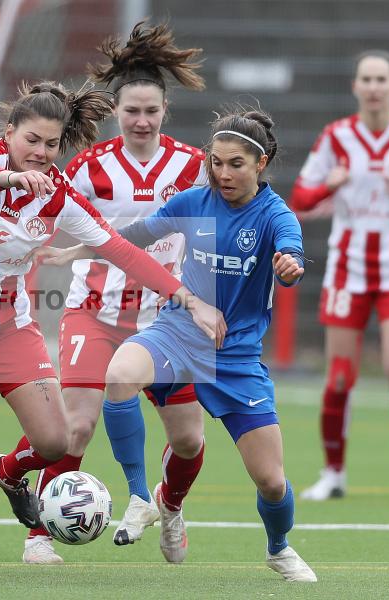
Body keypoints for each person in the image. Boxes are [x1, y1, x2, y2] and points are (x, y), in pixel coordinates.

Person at [0, 80, 217, 554]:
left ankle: (9, 472)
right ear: (9, 134)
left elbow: (125, 251)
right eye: (31, 141)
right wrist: (10, 178)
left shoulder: (59, 195)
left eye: (50, 144)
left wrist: (189, 298)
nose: (41, 153)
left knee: (56, 438)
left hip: (7, 321)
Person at [40, 108, 317, 580]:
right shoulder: (193, 201)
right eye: (216, 162)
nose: (223, 173)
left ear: (262, 164)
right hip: (178, 334)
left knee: (271, 482)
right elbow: (129, 240)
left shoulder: (274, 215)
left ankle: (277, 548)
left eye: (236, 164)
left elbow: (291, 248)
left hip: (235, 358)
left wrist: (291, 264)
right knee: (121, 375)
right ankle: (140, 497)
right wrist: (76, 250)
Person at [21, 21, 209, 565]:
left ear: (165, 111)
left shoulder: (194, 167)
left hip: (165, 321)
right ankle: (39, 536)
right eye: (132, 111)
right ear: (115, 112)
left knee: (191, 441)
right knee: (75, 424)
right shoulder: (88, 166)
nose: (142, 120)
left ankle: (167, 507)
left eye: (151, 111)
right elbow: (43, 212)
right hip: (93, 313)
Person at [291, 50, 389, 502]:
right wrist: (330, 185)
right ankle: (334, 472)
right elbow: (301, 195)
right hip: (347, 269)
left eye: (382, 79)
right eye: (367, 78)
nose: (374, 87)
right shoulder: (336, 136)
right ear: (355, 87)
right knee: (339, 377)